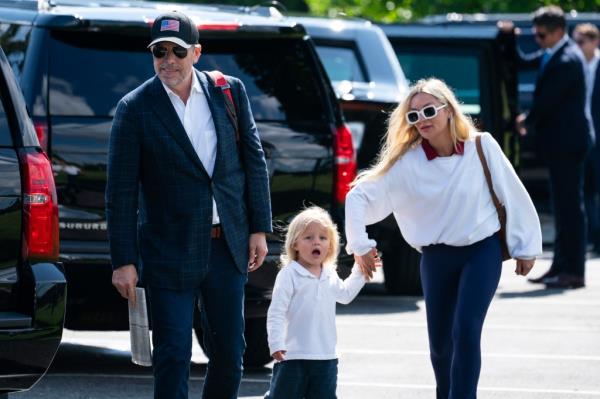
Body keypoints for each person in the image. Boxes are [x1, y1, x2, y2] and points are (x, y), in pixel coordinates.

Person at [105, 11, 272, 399]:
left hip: (226, 246)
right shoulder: (135, 108)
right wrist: (123, 260)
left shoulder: (228, 91)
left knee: (231, 355)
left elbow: (253, 161)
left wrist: (258, 229)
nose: (168, 61)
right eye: (159, 52)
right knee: (173, 355)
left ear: (196, 52)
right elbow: (121, 192)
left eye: (177, 51)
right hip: (168, 251)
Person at [345, 78, 542, 399]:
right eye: (413, 115)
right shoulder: (407, 161)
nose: (421, 119)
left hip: (482, 252)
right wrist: (360, 246)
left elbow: (514, 195)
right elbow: (358, 198)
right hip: (436, 257)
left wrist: (527, 247)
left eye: (428, 110)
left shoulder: (483, 146)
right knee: (439, 345)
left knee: (465, 330)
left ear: (449, 110)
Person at [512, 6, 591, 289]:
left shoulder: (567, 59)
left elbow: (548, 101)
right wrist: (507, 38)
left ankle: (574, 270)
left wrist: (527, 121)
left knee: (571, 209)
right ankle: (560, 266)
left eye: (541, 34)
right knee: (563, 207)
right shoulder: (552, 53)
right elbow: (523, 61)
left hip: (568, 145)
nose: (538, 39)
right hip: (562, 144)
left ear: (558, 31)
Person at [264, 206, 377, 399]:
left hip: (326, 358)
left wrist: (361, 270)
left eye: (323, 238)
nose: (316, 241)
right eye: (308, 237)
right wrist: (275, 343)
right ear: (295, 244)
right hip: (292, 357)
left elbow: (345, 294)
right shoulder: (289, 274)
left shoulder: (329, 274)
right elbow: (276, 312)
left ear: (330, 245)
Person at [574, 23, 600, 253]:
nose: (578, 47)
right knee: (588, 190)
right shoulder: (574, 64)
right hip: (585, 138)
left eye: (582, 42)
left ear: (595, 42)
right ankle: (595, 238)